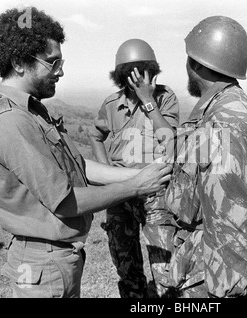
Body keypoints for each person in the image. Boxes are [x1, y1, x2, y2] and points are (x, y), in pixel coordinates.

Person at [0, 7, 172, 298]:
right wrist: (135, 185)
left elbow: (79, 166)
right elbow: (66, 202)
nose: (60, 71)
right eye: (52, 62)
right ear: (19, 62)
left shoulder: (33, 112)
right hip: (42, 266)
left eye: (61, 61)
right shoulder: (12, 122)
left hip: (57, 260)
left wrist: (140, 175)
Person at [129, 16, 247, 298]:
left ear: (195, 64)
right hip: (200, 261)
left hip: (209, 280)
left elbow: (231, 222)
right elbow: (182, 152)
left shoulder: (222, 125)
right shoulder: (224, 109)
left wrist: (220, 294)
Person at [90, 39, 179, 298]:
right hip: (120, 193)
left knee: (165, 271)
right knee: (126, 266)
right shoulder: (111, 105)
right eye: (135, 74)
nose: (142, 79)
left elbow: (169, 139)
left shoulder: (165, 97)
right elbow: (96, 136)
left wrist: (148, 101)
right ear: (123, 77)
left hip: (155, 192)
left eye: (147, 72)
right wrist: (107, 174)